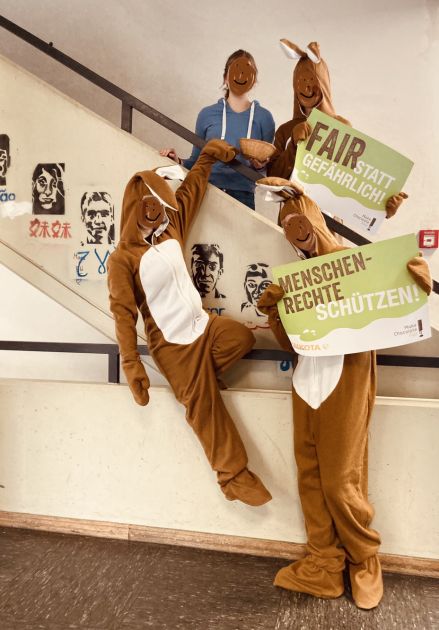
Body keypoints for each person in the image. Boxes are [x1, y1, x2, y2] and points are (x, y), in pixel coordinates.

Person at [256, 177, 432, 609]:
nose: (296, 232)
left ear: (314, 221)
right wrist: (274, 310)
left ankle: (363, 557)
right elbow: (291, 343)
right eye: (288, 226)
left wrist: (413, 286)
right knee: (311, 477)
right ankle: (324, 561)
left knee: (341, 481)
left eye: (300, 222)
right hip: (306, 383)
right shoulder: (294, 277)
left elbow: (390, 305)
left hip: (344, 382)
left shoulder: (354, 262)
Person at [107, 138, 272, 507]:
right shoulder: (123, 259)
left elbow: (192, 190)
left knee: (241, 339)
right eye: (147, 206)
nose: (154, 212)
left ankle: (202, 380)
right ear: (134, 207)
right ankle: (231, 477)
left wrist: (209, 156)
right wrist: (131, 363)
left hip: (203, 326)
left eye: (159, 205)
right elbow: (122, 313)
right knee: (204, 406)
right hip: (172, 345)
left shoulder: (171, 228)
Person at [160, 50, 275, 210]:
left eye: (247, 72)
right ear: (225, 77)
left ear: (254, 80)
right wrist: (178, 161)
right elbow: (196, 161)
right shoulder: (206, 115)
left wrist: (260, 166)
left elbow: (265, 173)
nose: (241, 75)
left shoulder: (264, 118)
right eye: (235, 70)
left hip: (243, 197)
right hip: (206, 190)